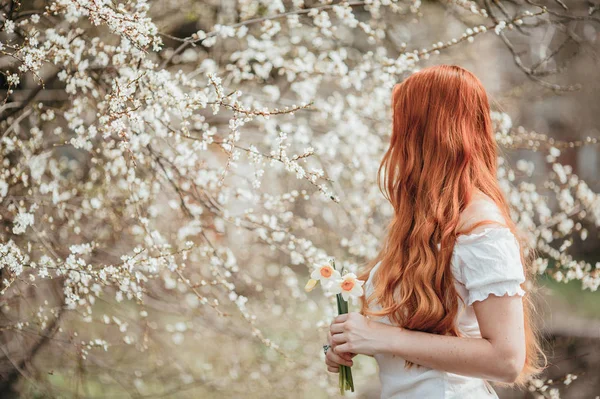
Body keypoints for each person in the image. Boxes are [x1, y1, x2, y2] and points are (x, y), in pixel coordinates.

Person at [323, 65, 546, 398]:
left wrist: (380, 338)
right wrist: (347, 337)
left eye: (401, 125)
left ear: (426, 132)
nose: (394, 141)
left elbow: (507, 360)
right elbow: (410, 335)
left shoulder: (483, 230)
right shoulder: (424, 225)